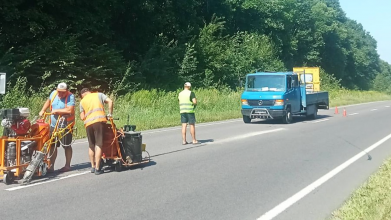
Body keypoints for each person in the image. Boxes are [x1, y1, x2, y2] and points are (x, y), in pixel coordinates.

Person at [39, 82, 75, 173]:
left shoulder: (70, 96)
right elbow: (48, 101)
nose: (60, 94)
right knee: (52, 145)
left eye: (63, 92)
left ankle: (67, 165)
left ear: (67, 91)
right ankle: (51, 166)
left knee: (66, 146)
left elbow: (69, 110)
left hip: (65, 126)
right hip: (53, 125)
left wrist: (57, 111)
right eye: (59, 91)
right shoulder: (54, 93)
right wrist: (43, 110)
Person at [79, 88, 113, 175]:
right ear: (89, 91)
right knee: (99, 144)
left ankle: (93, 167)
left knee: (91, 145)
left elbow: (82, 117)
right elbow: (110, 101)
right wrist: (109, 114)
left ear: (83, 94)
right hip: (99, 122)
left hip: (88, 124)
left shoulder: (82, 102)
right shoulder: (99, 95)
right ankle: (98, 168)